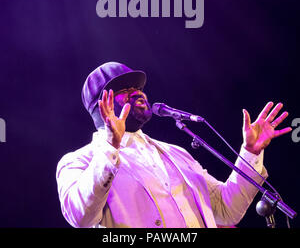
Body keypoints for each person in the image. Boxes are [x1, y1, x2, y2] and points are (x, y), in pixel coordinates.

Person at [56, 61, 292, 228]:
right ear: (100, 106)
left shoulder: (175, 154)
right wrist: (110, 145)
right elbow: (81, 217)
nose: (137, 93)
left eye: (137, 87)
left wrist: (251, 151)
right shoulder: (78, 161)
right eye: (124, 89)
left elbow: (225, 209)